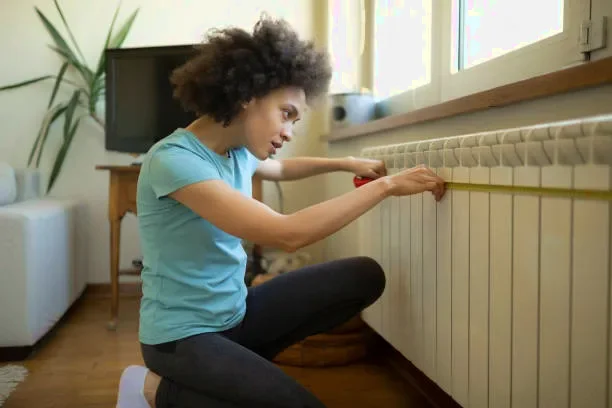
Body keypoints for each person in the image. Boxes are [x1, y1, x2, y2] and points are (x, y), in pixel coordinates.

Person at [115, 15, 446, 408]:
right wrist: (385, 186)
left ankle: (237, 373)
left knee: (364, 276)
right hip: (180, 338)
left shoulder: (237, 150)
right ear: (248, 95)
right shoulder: (174, 161)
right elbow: (286, 234)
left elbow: (283, 168)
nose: (289, 130)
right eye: (286, 113)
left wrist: (346, 163)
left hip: (236, 315)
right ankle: (152, 389)